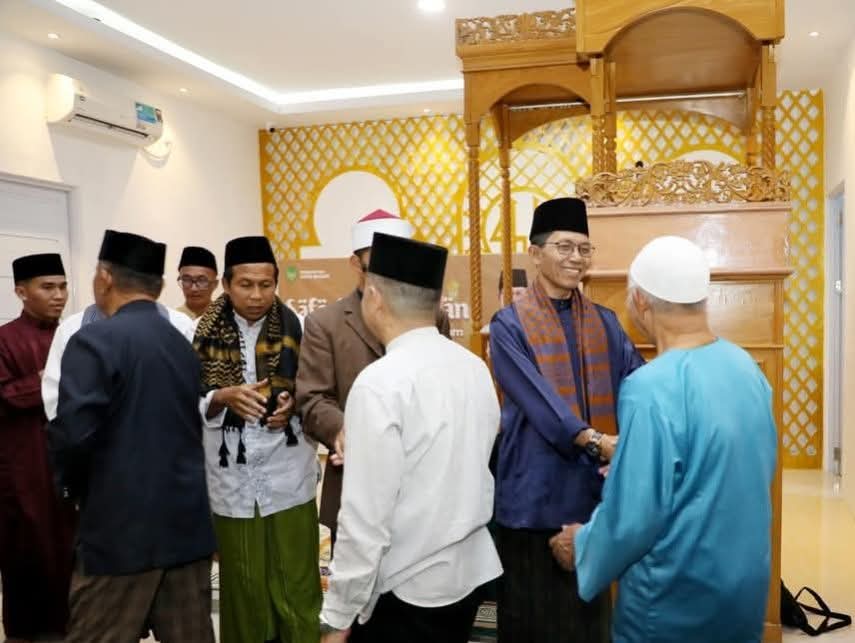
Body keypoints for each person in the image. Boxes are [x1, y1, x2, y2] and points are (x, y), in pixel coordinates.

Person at [552, 236, 778, 642]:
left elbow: (633, 519)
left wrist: (581, 544)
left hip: (675, 598)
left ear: (640, 301)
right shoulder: (745, 367)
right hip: (742, 587)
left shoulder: (651, 387)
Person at [319, 232, 502, 643]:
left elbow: (365, 520)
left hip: (407, 588)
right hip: (466, 576)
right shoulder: (474, 367)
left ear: (374, 298)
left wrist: (338, 616)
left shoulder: (379, 383)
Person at [47, 230, 216, 643]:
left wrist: (70, 488)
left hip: (119, 530)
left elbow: (74, 434)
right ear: (158, 285)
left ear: (105, 277)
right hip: (186, 525)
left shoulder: (94, 340)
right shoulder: (180, 342)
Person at [488, 197, 644, 642]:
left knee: (588, 621)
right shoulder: (508, 326)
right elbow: (544, 405)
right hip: (532, 498)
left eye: (584, 248)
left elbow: (638, 384)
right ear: (535, 254)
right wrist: (597, 441)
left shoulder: (606, 323)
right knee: (530, 622)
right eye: (564, 247)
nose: (576, 257)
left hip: (591, 497)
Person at [297, 209, 449, 549]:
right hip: (355, 480)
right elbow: (312, 398)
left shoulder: (433, 318)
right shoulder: (325, 323)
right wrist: (343, 432)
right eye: (377, 269)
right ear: (355, 264)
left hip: (424, 480)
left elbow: (441, 384)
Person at [195, 235, 321, 643]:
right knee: (244, 584)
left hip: (288, 476)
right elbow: (184, 400)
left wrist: (293, 405)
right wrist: (220, 398)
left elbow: (317, 389)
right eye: (246, 284)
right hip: (232, 480)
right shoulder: (201, 333)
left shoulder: (297, 327)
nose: (256, 295)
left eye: (265, 285)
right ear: (226, 284)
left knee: (296, 581)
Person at [0, 253, 75, 642]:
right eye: (48, 287)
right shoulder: (4, 339)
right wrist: (45, 379)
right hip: (23, 472)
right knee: (26, 559)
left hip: (70, 469)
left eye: (62, 286)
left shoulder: (75, 337)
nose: (58, 295)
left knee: (70, 554)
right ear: (21, 291)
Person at [42, 288, 195, 422]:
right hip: (94, 442)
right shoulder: (71, 328)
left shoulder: (181, 325)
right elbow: (55, 398)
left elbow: (191, 396)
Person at [177, 245, 219, 320]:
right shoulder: (171, 320)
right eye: (187, 280)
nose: (194, 289)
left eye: (202, 280)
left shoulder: (225, 320)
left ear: (215, 284)